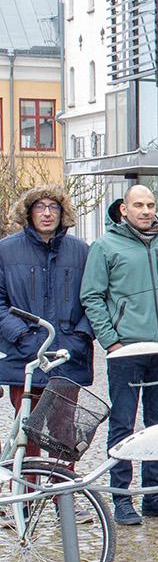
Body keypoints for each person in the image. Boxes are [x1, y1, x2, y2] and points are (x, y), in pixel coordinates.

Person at [81, 184, 158, 525]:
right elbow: (92, 297)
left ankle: (153, 495)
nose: (146, 210)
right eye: (138, 205)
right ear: (124, 210)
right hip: (126, 352)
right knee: (124, 425)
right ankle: (123, 499)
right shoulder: (105, 246)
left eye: (150, 204)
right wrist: (111, 342)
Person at [0, 186, 94, 464]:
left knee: (63, 433)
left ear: (63, 213)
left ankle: (61, 495)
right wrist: (23, 337)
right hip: (24, 356)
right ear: (28, 212)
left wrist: (80, 337)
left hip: (66, 356)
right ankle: (25, 496)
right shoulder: (6, 250)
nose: (47, 213)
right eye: (40, 207)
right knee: (26, 431)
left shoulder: (81, 251)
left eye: (53, 207)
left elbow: (95, 299)